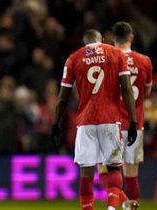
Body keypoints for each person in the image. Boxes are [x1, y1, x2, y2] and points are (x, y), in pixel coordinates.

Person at [51, 29, 137, 210]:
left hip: (85, 121)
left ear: (83, 44)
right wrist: (134, 121)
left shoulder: (74, 58)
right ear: (103, 40)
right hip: (111, 119)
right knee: (113, 167)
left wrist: (56, 123)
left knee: (86, 172)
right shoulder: (116, 53)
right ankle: (112, 207)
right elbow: (127, 89)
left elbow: (62, 97)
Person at [97, 21, 153, 210]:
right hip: (134, 125)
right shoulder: (144, 61)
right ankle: (131, 205)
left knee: (105, 170)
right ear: (131, 38)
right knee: (131, 173)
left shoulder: (107, 59)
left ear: (113, 38)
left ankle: (123, 203)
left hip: (110, 123)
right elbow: (147, 90)